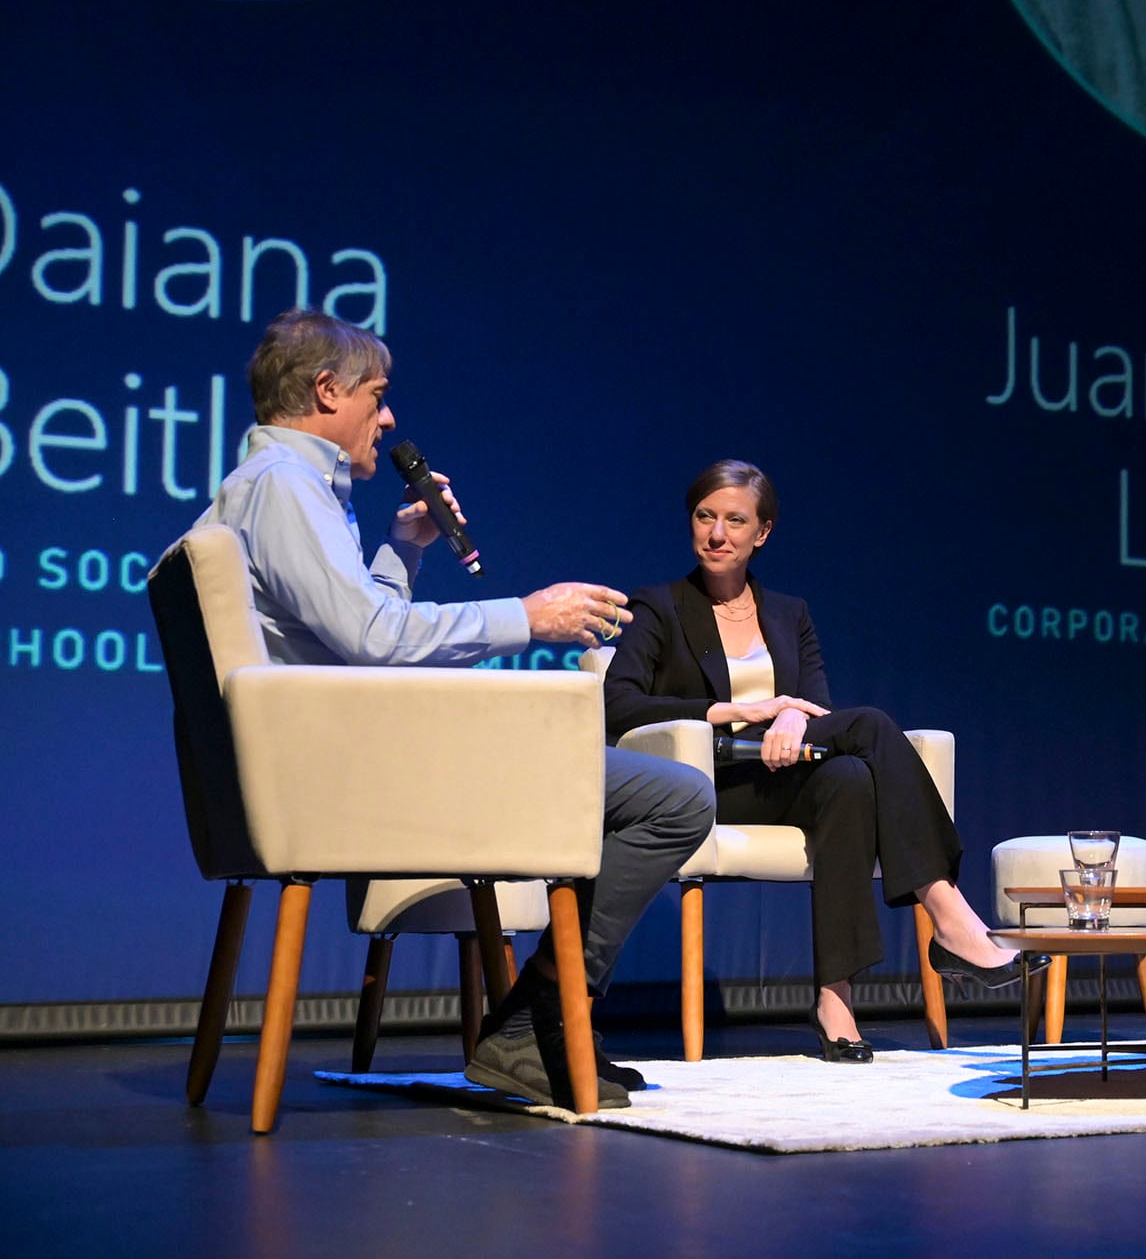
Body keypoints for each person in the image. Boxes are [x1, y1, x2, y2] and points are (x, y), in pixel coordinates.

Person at [181, 309, 713, 1109]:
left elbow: (351, 637)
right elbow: (371, 639)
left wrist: (404, 546)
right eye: (378, 394)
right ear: (327, 391)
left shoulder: (262, 487)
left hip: (327, 768)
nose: (388, 416)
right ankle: (535, 1020)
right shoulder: (286, 489)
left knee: (653, 790)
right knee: (678, 797)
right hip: (361, 783)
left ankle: (538, 1020)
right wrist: (529, 617)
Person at [600, 460, 1044, 1062]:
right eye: (706, 517)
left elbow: (817, 707)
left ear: (763, 533)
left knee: (850, 778)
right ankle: (951, 917)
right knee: (873, 727)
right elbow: (618, 704)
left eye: (736, 521)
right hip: (705, 781)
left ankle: (835, 997)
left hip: (786, 773)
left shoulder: (789, 613)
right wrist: (739, 711)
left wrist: (793, 717)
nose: (717, 534)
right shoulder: (660, 606)